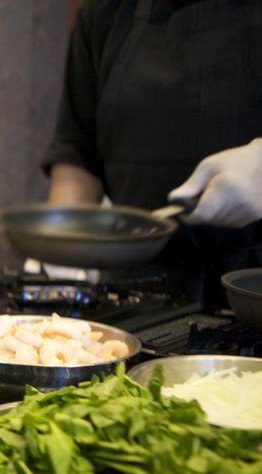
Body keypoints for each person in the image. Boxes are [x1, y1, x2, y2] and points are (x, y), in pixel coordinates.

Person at [42, 0, 262, 303]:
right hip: (134, 295)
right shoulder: (104, 11)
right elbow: (78, 158)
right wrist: (60, 257)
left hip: (251, 295)